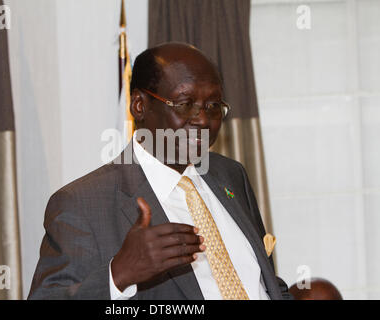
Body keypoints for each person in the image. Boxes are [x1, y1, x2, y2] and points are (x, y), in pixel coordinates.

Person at [28, 42, 292, 300]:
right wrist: (118, 276)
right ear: (139, 106)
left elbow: (263, 281)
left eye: (213, 106)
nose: (202, 119)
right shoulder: (82, 204)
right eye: (185, 103)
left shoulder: (231, 175)